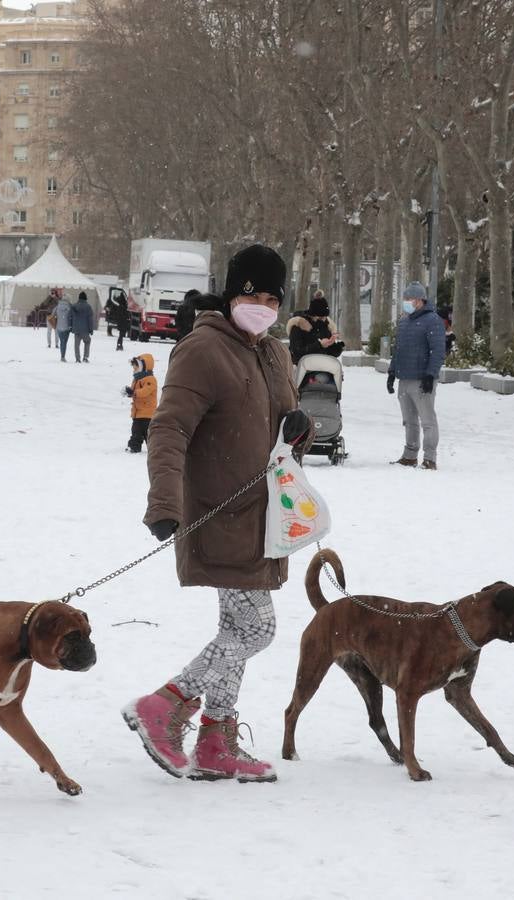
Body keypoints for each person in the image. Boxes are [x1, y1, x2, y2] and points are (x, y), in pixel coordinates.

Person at [123, 244, 310, 784]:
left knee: (236, 628)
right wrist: (164, 502)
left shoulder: (274, 352)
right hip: (218, 512)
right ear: (233, 293)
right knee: (256, 629)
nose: (264, 305)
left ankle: (215, 739)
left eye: (274, 297)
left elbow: (282, 425)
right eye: (254, 294)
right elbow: (169, 427)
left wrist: (301, 430)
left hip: (266, 514)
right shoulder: (202, 349)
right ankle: (166, 704)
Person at [386, 281, 447, 470]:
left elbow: (437, 351)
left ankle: (430, 458)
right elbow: (398, 350)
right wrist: (391, 372)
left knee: (427, 420)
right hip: (404, 378)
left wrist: (430, 375)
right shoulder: (404, 321)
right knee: (409, 420)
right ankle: (410, 455)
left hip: (422, 379)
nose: (406, 302)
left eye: (409, 299)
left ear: (420, 300)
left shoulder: (433, 320)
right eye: (405, 299)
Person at [286, 293, 345, 365]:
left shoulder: (326, 326)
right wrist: (319, 345)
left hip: (322, 366)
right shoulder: (298, 326)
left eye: (325, 317)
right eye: (320, 318)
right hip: (302, 367)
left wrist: (337, 347)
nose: (323, 320)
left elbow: (329, 352)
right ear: (312, 316)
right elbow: (296, 353)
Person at [122, 353, 156, 453]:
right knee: (135, 432)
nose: (134, 369)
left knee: (148, 433)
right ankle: (134, 447)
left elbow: (145, 391)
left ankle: (154, 448)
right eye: (133, 367)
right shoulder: (137, 379)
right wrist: (129, 392)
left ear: (143, 367)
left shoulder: (150, 380)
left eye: (135, 367)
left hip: (148, 413)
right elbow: (134, 392)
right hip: (138, 413)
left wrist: (134, 392)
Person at [70, 291, 95, 363]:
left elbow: (71, 317)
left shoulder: (74, 306)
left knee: (76, 345)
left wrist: (71, 327)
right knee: (87, 341)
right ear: (85, 298)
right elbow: (90, 319)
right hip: (85, 330)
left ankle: (77, 359)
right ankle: (85, 357)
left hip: (76, 329)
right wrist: (91, 329)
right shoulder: (88, 307)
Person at [54, 291, 73, 361]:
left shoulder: (58, 306)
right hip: (67, 327)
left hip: (59, 326)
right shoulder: (70, 306)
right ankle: (63, 356)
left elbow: (53, 314)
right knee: (64, 342)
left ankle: (62, 356)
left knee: (62, 341)